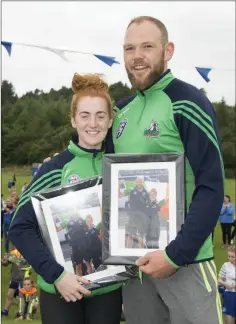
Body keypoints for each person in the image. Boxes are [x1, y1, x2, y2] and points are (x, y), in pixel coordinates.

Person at [107, 16, 224, 324]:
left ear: (167, 50)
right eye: (130, 48)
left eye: (147, 46)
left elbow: (211, 186)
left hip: (186, 262)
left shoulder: (187, 101)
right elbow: (105, 184)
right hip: (134, 266)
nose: (137, 56)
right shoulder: (120, 112)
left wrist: (175, 255)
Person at [9, 73, 122, 324]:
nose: (93, 123)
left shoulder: (120, 168)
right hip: (62, 291)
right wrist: (57, 276)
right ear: (73, 120)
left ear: (110, 119)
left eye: (100, 115)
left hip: (108, 290)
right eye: (84, 115)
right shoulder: (55, 169)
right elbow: (19, 226)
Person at [1, 248, 32, 317]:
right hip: (14, 278)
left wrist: (18, 260)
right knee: (9, 295)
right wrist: (3, 261)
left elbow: (29, 265)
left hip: (24, 280)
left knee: (22, 297)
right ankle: (5, 312)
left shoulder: (28, 252)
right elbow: (6, 263)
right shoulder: (14, 253)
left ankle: (23, 312)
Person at [125, 176, 150, 248]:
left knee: (141, 235)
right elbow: (130, 203)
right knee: (130, 234)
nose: (139, 183)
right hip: (133, 216)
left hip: (142, 217)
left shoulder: (146, 193)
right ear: (136, 182)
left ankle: (141, 253)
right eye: (138, 181)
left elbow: (147, 205)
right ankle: (127, 252)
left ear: (142, 182)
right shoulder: (132, 191)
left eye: (140, 181)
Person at [218, 246, 236, 324]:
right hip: (229, 296)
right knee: (229, 321)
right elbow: (219, 280)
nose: (230, 258)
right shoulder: (225, 265)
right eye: (229, 256)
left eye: (232, 257)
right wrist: (225, 284)